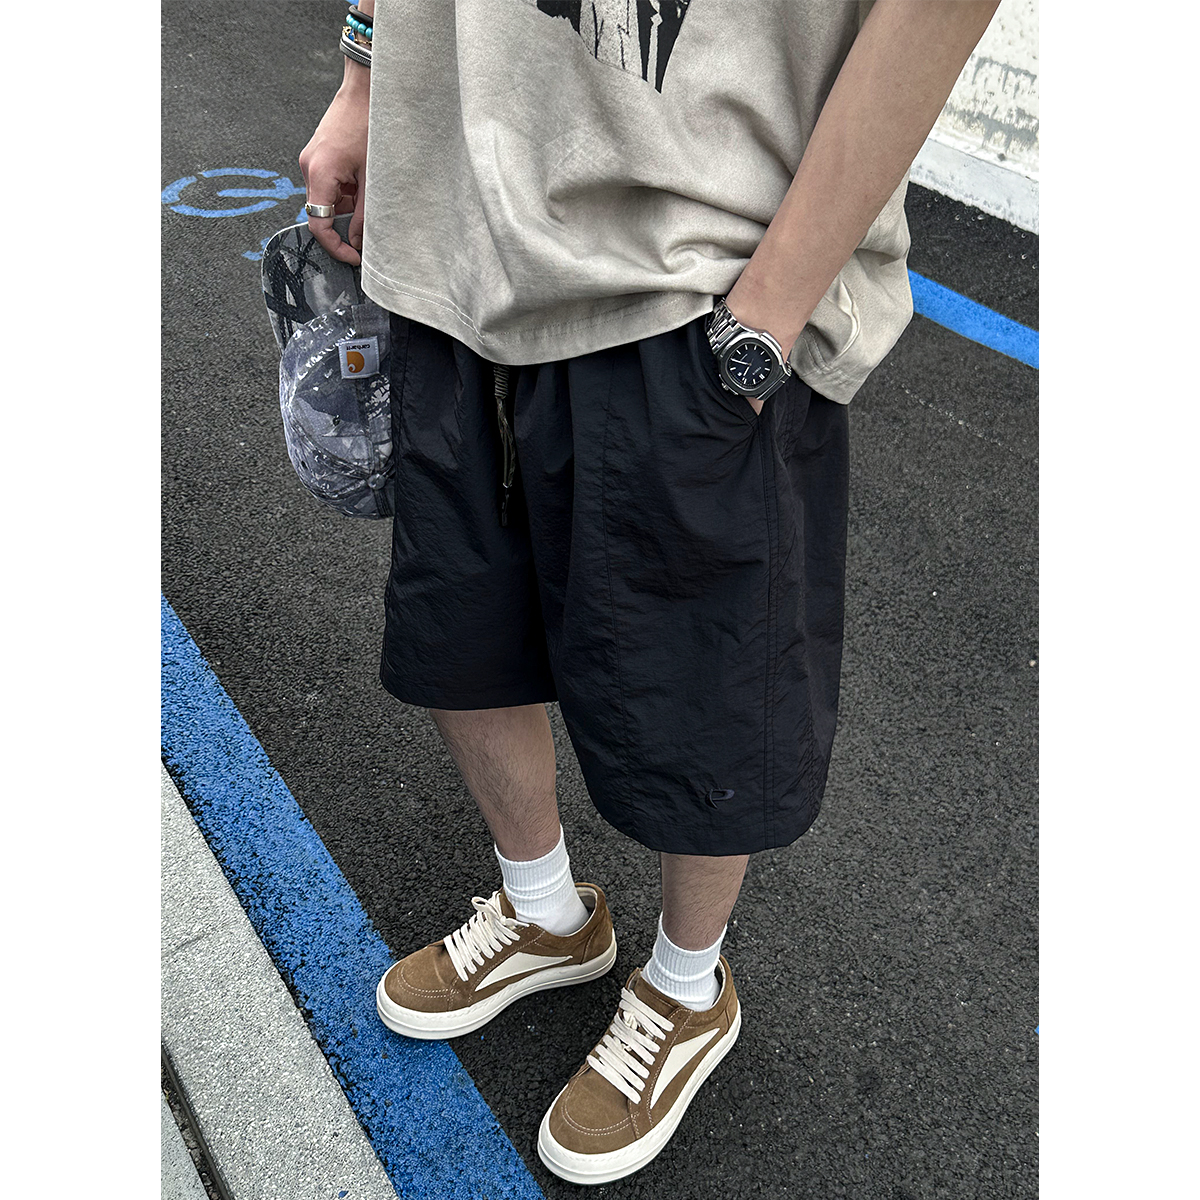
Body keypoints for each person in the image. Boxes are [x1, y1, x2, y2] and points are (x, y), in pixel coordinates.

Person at [300, 0, 1000, 1184]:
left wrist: (771, 312)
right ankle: (545, 912)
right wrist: (367, 72)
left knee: (703, 694)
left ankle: (686, 985)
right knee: (460, 628)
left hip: (688, 261)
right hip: (450, 220)